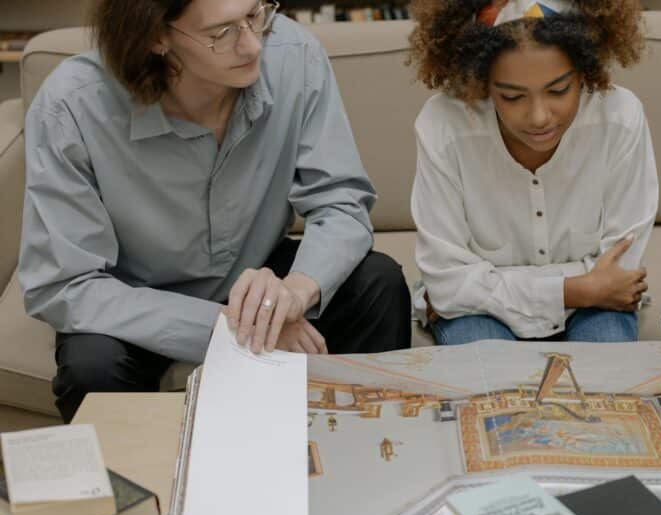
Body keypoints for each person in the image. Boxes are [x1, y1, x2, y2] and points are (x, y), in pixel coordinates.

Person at [19, 0, 411, 423]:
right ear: (156, 37)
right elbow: (67, 285)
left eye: (256, 15)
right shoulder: (71, 106)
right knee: (91, 365)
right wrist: (240, 327)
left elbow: (340, 198)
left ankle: (360, 463)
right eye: (222, 32)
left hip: (255, 272)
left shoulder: (294, 54)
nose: (251, 45)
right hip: (137, 298)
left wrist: (293, 294)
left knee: (379, 283)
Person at [407, 0, 657, 345]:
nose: (539, 117)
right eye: (512, 97)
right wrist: (574, 289)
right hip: (481, 315)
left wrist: (494, 283)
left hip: (594, 307)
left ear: (585, 71)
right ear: (481, 82)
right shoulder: (444, 126)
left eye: (558, 91)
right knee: (493, 391)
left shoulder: (620, 118)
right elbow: (448, 285)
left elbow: (618, 275)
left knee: (607, 384)